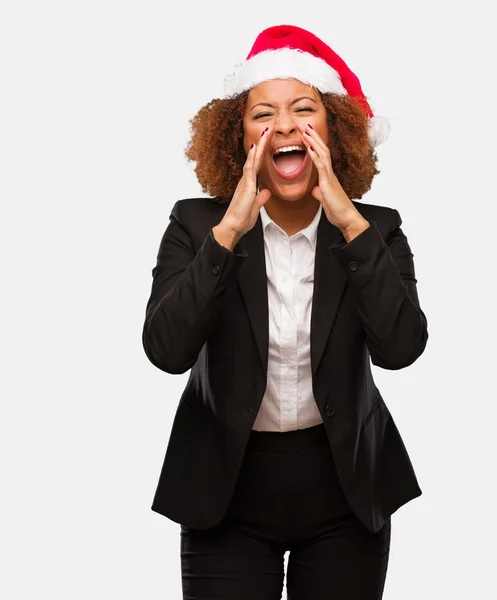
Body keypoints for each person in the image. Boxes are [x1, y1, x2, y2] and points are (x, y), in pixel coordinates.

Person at [142, 24, 429, 600]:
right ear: (239, 137)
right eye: (261, 113)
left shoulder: (377, 230)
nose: (285, 126)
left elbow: (401, 350)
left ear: (334, 131)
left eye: (304, 109)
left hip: (345, 489)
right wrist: (228, 235)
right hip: (226, 493)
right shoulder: (196, 225)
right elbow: (166, 351)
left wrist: (350, 223)